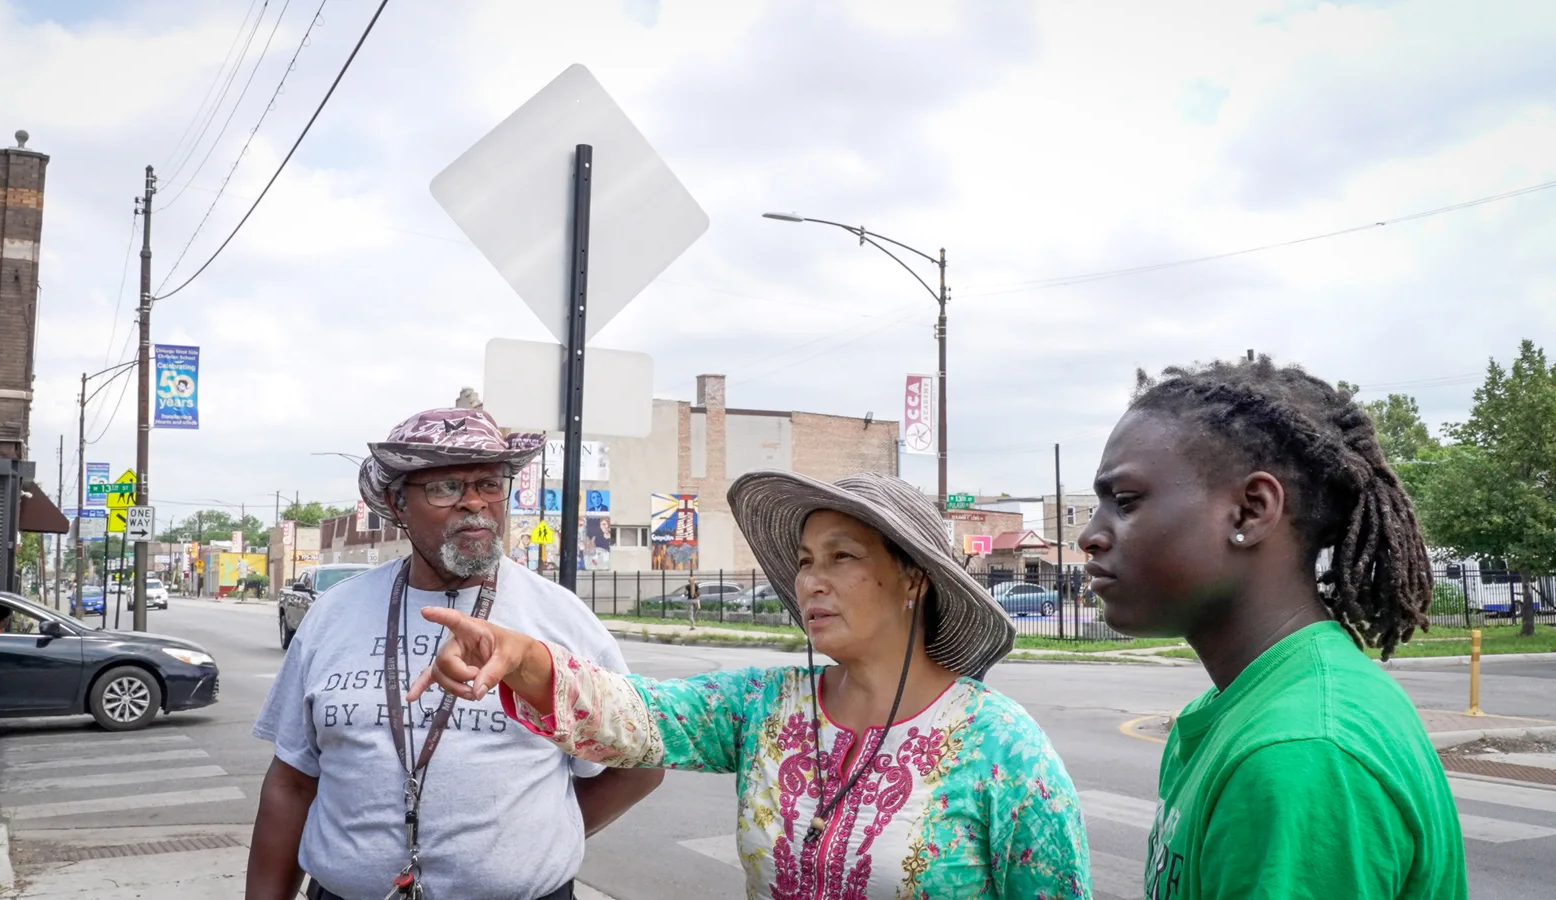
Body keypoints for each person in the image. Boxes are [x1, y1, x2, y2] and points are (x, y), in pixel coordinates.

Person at [413, 471, 1092, 899]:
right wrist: (521, 654)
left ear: (913, 577)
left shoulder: (1004, 749)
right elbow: (638, 716)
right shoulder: (766, 707)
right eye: (803, 562)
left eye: (842, 558)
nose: (810, 582)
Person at [1078, 358, 1466, 899]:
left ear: (1250, 511)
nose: (1091, 536)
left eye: (1124, 502)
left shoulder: (1300, 752)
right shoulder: (1233, 714)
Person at [247, 408, 662, 900]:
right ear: (397, 504)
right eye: (445, 487)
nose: (473, 503)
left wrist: (545, 836)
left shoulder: (562, 619)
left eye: (489, 483)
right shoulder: (332, 615)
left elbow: (638, 763)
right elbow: (292, 783)